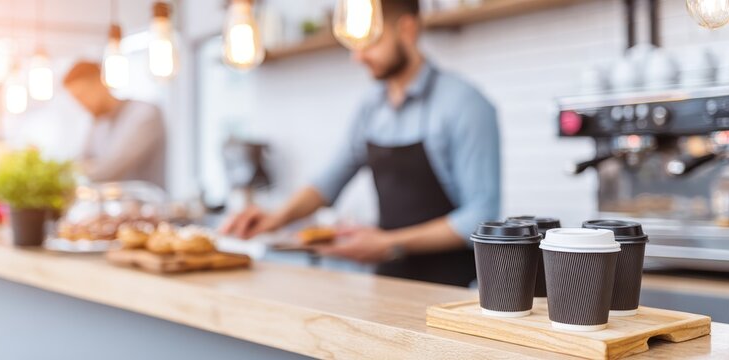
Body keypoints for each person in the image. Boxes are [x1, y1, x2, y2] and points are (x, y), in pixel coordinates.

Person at [220, 0, 500, 287]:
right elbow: (329, 181)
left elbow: (480, 216)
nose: (357, 56)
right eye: (355, 43)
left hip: (451, 288)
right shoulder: (371, 107)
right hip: (389, 283)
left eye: (370, 41)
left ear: (407, 30)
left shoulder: (464, 104)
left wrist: (389, 243)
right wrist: (275, 218)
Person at [63, 61, 167, 189]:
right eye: (76, 99)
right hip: (109, 206)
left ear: (99, 82)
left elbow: (107, 171)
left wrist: (89, 167)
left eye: (82, 95)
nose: (81, 104)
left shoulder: (144, 114)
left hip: (147, 204)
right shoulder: (98, 122)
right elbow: (79, 160)